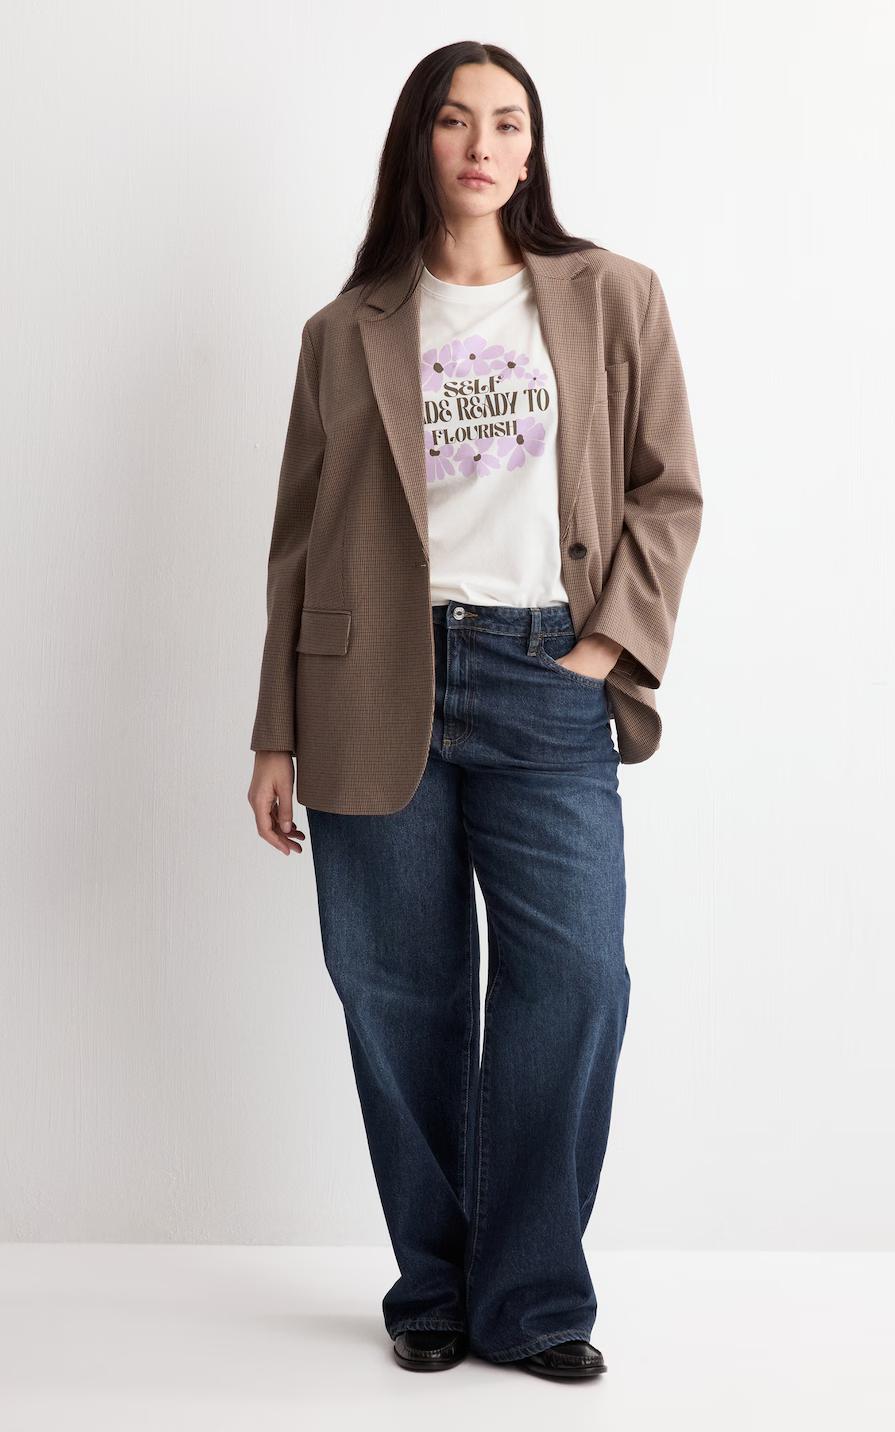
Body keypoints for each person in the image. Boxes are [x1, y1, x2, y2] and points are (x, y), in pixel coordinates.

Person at [247, 40, 703, 1379]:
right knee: (398, 993)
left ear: (531, 147)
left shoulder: (611, 295)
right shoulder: (346, 331)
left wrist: (604, 648)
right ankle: (436, 1288)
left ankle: (536, 1296)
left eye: (508, 122)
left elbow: (669, 490)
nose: (483, 145)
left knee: (576, 981)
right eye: (456, 121)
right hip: (368, 682)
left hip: (545, 675)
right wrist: (273, 729)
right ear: (421, 142)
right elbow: (297, 541)